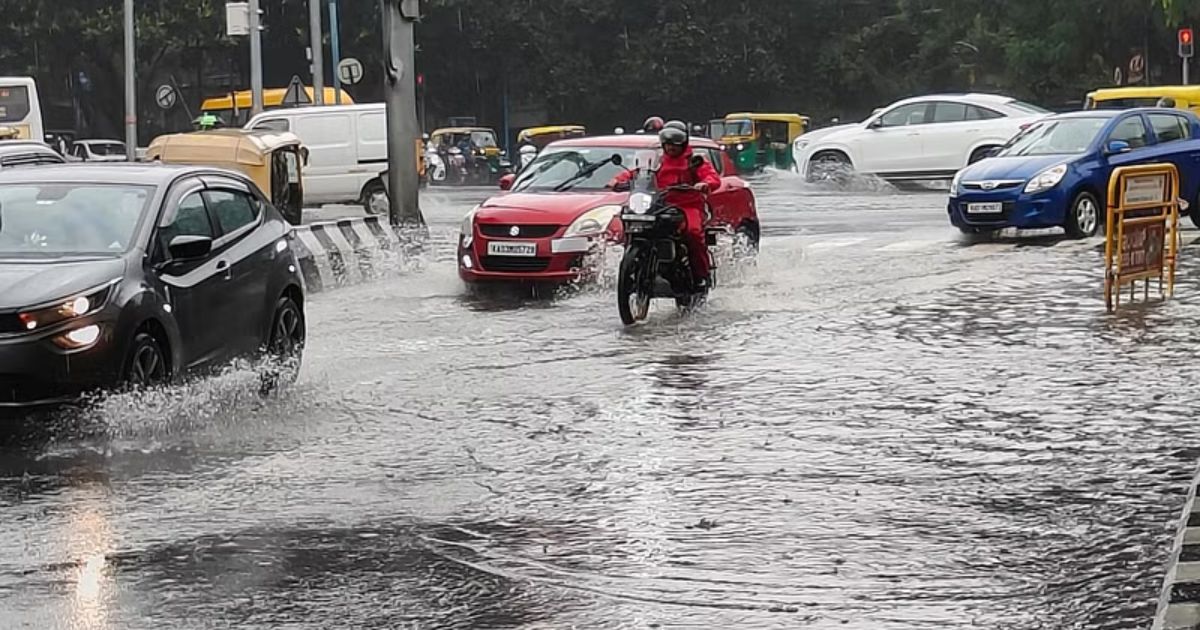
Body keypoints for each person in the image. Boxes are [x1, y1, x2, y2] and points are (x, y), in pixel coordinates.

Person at [610, 127, 721, 288]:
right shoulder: (657, 160)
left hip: (688, 206)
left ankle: (701, 275)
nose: (671, 147)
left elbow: (711, 177)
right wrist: (618, 179)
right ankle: (635, 266)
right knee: (633, 223)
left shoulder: (695, 160)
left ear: (683, 143)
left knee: (693, 234)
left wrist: (705, 184)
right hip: (659, 204)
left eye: (674, 144)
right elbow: (638, 172)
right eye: (667, 144)